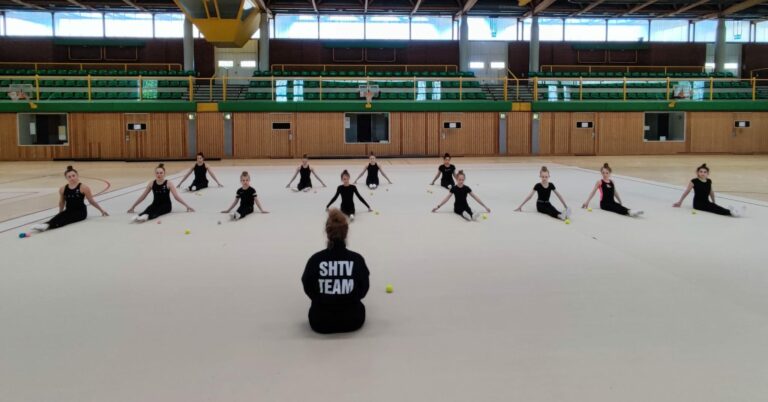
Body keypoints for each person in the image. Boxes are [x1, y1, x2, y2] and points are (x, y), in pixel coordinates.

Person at [302, 208, 370, 334]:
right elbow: (363, 289)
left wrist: (322, 299)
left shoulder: (315, 260)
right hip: (353, 320)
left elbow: (308, 286)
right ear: (346, 232)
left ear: (327, 232)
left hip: (320, 322)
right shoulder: (357, 260)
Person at [31, 165, 109, 232]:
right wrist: (60, 213)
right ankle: (45, 224)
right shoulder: (62, 189)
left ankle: (48, 226)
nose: (72, 178)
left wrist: (101, 210)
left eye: (73, 176)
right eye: (69, 177)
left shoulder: (84, 187)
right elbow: (61, 202)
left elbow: (91, 201)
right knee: (60, 216)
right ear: (66, 178)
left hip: (80, 212)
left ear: (77, 175)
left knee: (66, 220)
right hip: (69, 210)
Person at [127, 163, 194, 222]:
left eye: (161, 173)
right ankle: (140, 215)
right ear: (155, 174)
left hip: (166, 206)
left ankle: (147, 216)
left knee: (157, 211)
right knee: (149, 208)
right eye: (157, 173)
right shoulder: (151, 183)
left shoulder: (168, 183)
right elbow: (143, 196)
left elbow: (176, 197)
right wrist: (133, 207)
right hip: (155, 204)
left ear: (164, 173)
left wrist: (187, 206)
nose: (159, 175)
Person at [673, 163, 745, 217]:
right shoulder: (694, 181)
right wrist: (680, 202)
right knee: (714, 209)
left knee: (714, 207)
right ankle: (731, 213)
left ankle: (731, 211)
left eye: (705, 172)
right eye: (701, 172)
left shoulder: (709, 181)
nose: (702, 173)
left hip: (706, 202)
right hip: (698, 204)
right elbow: (687, 192)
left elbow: (711, 192)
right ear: (697, 172)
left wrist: (714, 202)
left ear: (708, 173)